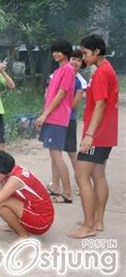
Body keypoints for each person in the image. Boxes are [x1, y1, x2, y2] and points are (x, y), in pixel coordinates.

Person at [68, 34, 119, 239]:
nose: (84, 57)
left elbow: (100, 105)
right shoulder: (108, 69)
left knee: (81, 175)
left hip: (96, 135)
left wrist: (89, 135)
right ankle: (97, 221)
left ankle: (88, 226)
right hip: (106, 133)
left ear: (97, 51)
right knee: (98, 175)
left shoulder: (100, 74)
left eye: (86, 53)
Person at [35, 39, 76, 204]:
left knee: (57, 155)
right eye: (54, 51)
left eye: (59, 51)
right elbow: (51, 95)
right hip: (51, 116)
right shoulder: (58, 71)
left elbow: (61, 94)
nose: (56, 54)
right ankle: (55, 187)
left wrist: (45, 115)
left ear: (66, 52)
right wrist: (44, 113)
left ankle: (67, 193)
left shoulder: (68, 70)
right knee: (54, 154)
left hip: (58, 118)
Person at [50, 49, 88, 197]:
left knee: (72, 153)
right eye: (73, 58)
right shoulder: (57, 74)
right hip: (54, 118)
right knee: (55, 152)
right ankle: (55, 185)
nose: (75, 62)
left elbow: (74, 104)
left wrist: (56, 108)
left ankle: (81, 183)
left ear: (82, 64)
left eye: (79, 60)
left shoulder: (80, 81)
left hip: (68, 120)